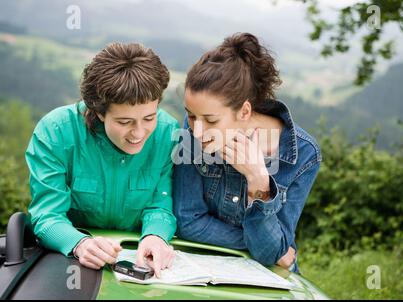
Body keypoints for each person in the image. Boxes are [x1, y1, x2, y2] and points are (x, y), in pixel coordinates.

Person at [25, 43, 178, 277]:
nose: (139, 133)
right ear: (98, 111)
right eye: (124, 122)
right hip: (72, 264)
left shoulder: (168, 133)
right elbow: (46, 215)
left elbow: (160, 204)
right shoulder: (55, 131)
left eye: (149, 118)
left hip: (138, 263)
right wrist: (79, 244)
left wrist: (156, 236)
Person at [173, 33, 321, 272]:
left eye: (211, 120)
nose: (197, 131)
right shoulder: (194, 129)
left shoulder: (303, 154)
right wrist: (262, 245)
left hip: (269, 277)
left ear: (244, 112)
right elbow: (188, 222)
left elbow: (275, 256)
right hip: (203, 266)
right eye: (190, 115)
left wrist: (258, 181)